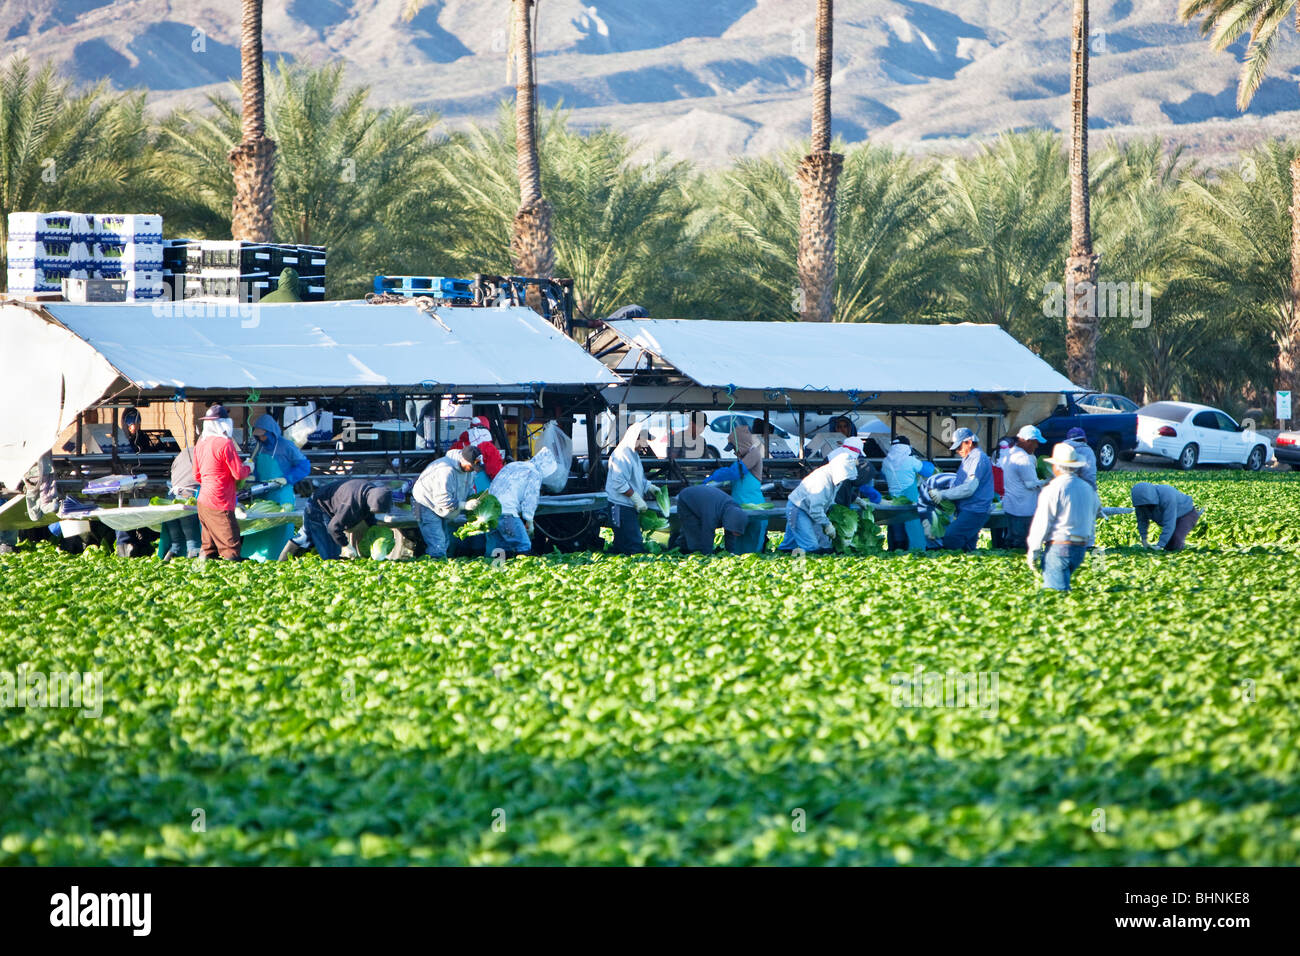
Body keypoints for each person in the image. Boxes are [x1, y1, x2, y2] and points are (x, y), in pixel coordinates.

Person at [1026, 443, 1101, 591]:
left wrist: (1033, 551)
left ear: (1056, 467)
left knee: (1056, 594)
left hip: (1059, 547)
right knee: (1063, 587)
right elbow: (1097, 511)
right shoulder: (1088, 488)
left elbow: (1042, 522)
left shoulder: (1053, 488)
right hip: (1080, 548)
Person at [241, 413, 312, 560]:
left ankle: (279, 557)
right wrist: (251, 476)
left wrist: (287, 479)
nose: (261, 438)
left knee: (278, 529)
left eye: (263, 435)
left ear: (271, 432)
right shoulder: (258, 447)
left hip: (281, 495)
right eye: (258, 436)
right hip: (262, 495)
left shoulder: (286, 446)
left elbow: (305, 466)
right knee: (259, 529)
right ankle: (254, 558)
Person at [192, 404, 250, 560]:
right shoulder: (225, 444)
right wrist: (248, 468)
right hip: (220, 501)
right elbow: (238, 473)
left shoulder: (200, 444)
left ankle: (203, 579)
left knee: (208, 548)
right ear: (224, 423)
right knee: (231, 548)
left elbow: (197, 475)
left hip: (203, 502)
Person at [281, 478, 393, 560]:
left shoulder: (371, 493)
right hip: (318, 507)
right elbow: (333, 528)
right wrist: (346, 546)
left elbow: (369, 516)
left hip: (326, 504)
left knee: (304, 538)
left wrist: (373, 534)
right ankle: (282, 565)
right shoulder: (350, 503)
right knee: (331, 556)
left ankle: (281, 563)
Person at [703, 423, 768, 553]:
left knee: (753, 549)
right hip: (739, 509)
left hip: (754, 509)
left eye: (734, 447)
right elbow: (732, 474)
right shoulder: (739, 461)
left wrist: (715, 476)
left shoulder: (754, 454)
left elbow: (734, 473)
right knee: (737, 548)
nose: (734, 451)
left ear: (742, 444)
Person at [410, 445, 482, 559]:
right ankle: (433, 570)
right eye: (471, 466)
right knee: (437, 544)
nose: (473, 469)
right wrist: (464, 505)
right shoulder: (445, 471)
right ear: (463, 460)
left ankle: (436, 566)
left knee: (445, 542)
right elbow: (442, 500)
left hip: (441, 507)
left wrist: (473, 499)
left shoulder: (469, 470)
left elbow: (468, 488)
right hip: (426, 504)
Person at [485, 448, 560, 557]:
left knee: (498, 549)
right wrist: (529, 522)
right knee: (523, 546)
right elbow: (530, 500)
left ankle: (495, 571)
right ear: (545, 468)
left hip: (490, 512)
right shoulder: (534, 473)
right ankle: (523, 571)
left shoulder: (514, 465)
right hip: (506, 513)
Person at [779, 453, 860, 553]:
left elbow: (829, 501)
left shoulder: (836, 479)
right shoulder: (822, 480)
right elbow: (815, 509)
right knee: (811, 546)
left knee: (820, 544)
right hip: (799, 509)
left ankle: (782, 554)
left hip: (811, 511)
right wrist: (827, 524)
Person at [930, 427, 994, 552]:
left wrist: (943, 494)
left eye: (959, 447)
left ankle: (958, 562)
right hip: (968, 509)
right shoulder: (969, 458)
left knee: (951, 537)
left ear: (969, 442)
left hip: (975, 510)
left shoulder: (978, 458)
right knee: (968, 546)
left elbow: (969, 489)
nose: (958, 451)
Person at [605, 419, 659, 555]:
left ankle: (618, 561)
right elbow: (618, 482)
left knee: (623, 542)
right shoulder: (622, 454)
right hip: (619, 506)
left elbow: (637, 479)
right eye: (644, 440)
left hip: (627, 506)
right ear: (636, 438)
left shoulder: (633, 454)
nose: (645, 444)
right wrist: (635, 497)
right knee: (633, 542)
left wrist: (649, 486)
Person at [999, 425, 1050, 551]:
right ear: (1027, 441)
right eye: (1035, 443)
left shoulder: (1009, 454)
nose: (1036, 446)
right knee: (1023, 545)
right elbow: (1031, 484)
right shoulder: (1024, 459)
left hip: (1011, 506)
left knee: (1011, 541)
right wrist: (1048, 481)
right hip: (1024, 510)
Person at [881, 435, 935, 551]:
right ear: (907, 447)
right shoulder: (910, 461)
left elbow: (884, 476)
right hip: (909, 497)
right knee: (913, 524)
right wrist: (930, 463)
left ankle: (896, 548)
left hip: (893, 499)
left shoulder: (885, 462)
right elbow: (927, 471)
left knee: (896, 524)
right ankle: (916, 549)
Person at [674, 483, 749, 554]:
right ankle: (690, 555)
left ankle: (676, 548)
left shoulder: (734, 512)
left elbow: (730, 534)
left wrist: (730, 553)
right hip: (687, 500)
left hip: (703, 501)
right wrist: (707, 557)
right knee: (695, 536)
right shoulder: (712, 515)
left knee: (689, 535)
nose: (734, 534)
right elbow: (707, 535)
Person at [159, 443, 202, 560]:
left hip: (171, 500)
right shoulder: (206, 454)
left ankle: (166, 562)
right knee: (193, 542)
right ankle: (193, 566)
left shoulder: (184, 453)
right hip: (188, 499)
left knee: (176, 543)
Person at [1131, 482, 1202, 551]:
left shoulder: (1167, 496)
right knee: (1169, 544)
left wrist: (1160, 546)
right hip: (1173, 516)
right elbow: (1142, 521)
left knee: (1176, 540)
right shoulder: (1140, 504)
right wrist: (1144, 539)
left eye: (1147, 505)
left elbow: (1169, 522)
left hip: (1187, 513)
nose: (1145, 507)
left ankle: (1180, 558)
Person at [451, 415, 504, 481]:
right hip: (480, 486)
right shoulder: (488, 447)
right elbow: (496, 472)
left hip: (457, 482)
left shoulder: (457, 445)